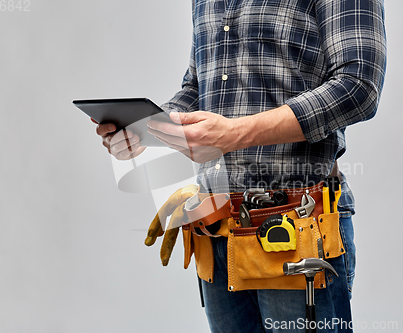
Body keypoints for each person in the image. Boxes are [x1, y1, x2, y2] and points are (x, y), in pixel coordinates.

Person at [94, 0, 386, 332]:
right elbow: (197, 89)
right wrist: (146, 129)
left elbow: (358, 85)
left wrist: (235, 133)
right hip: (217, 230)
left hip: (300, 228)